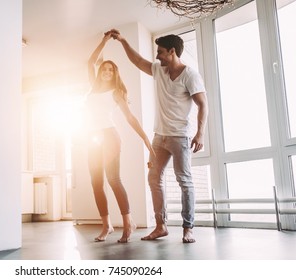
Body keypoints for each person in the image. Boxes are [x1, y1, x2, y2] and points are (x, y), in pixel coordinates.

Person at [109, 29, 208, 243]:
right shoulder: (159, 70)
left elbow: (203, 105)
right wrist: (124, 40)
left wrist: (200, 133)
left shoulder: (190, 75)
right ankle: (161, 226)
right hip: (159, 138)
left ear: (172, 51)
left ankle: (188, 228)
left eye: (160, 52)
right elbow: (137, 61)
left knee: (185, 181)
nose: (157, 56)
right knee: (154, 178)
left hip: (180, 137)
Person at [84, 32, 155, 243]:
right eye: (104, 68)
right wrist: (104, 41)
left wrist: (145, 140)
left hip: (109, 136)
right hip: (91, 137)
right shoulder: (93, 88)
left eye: (110, 69)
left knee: (113, 179)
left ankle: (128, 222)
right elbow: (90, 62)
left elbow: (130, 118)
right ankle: (107, 225)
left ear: (115, 74)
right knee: (96, 183)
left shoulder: (116, 92)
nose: (106, 71)